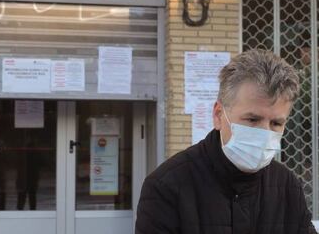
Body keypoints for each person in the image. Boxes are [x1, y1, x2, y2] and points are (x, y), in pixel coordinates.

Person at [136, 49, 317, 234]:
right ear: (218, 115)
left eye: (276, 123)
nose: (265, 133)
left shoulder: (287, 185)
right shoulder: (166, 186)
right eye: (252, 120)